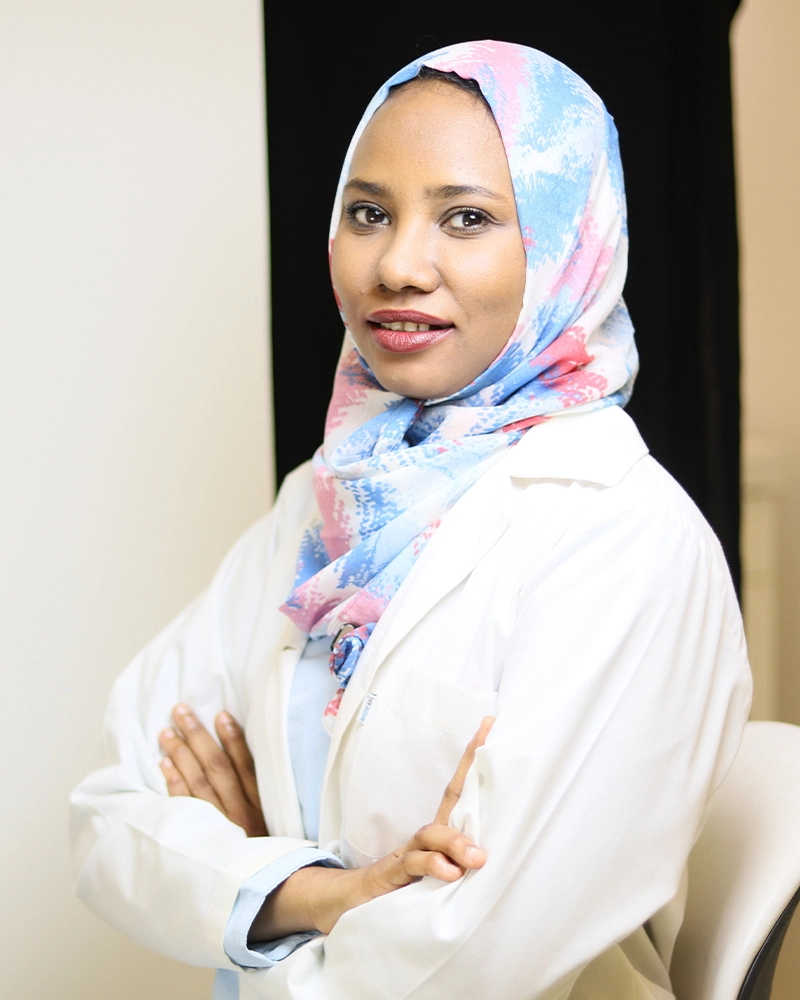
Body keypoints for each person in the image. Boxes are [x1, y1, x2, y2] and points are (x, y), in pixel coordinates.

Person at [70, 40, 751, 1000]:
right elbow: (108, 816)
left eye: (466, 218)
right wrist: (314, 890)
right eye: (369, 213)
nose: (396, 265)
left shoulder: (626, 539)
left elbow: (477, 957)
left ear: (569, 244)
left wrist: (243, 877)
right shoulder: (324, 500)